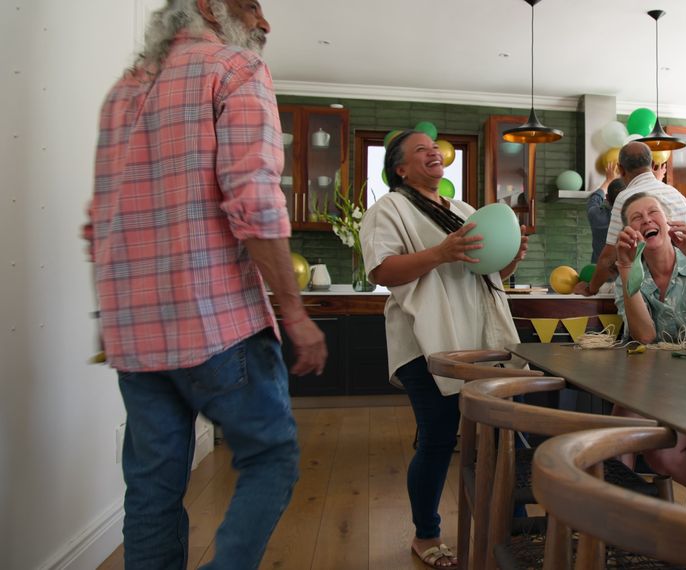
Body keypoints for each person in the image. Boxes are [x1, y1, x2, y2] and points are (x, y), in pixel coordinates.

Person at [85, 1, 327, 568]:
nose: (265, 25)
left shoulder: (121, 93)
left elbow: (100, 222)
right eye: (249, 7)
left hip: (135, 337)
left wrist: (112, 316)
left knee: (152, 490)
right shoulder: (236, 68)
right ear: (206, 8)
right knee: (271, 459)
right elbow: (256, 200)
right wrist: (294, 315)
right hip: (217, 326)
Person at [360, 130, 528, 569]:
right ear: (400, 167)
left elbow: (487, 271)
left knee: (501, 431)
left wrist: (511, 257)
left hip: (478, 338)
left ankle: (517, 527)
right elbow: (382, 270)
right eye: (421, 149)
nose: (433, 152)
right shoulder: (389, 209)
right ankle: (426, 533)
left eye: (435, 148)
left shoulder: (464, 212)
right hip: (426, 340)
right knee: (437, 438)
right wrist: (441, 252)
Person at [612, 191, 686, 501]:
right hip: (660, 388)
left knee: (660, 454)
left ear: (668, 222)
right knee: (622, 422)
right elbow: (645, 336)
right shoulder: (628, 274)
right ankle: (614, 516)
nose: (646, 220)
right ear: (630, 233)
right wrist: (626, 269)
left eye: (653, 213)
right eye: (636, 218)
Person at [576, 142, 686, 296]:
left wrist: (591, 289)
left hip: (647, 291)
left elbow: (608, 257)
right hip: (684, 286)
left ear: (621, 170)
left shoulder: (626, 198)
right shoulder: (677, 195)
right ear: (651, 164)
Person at [586, 162, 626, 263]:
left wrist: (608, 180)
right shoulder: (634, 219)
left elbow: (594, 198)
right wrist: (657, 179)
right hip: (624, 274)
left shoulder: (596, 216)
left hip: (598, 273)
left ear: (607, 198)